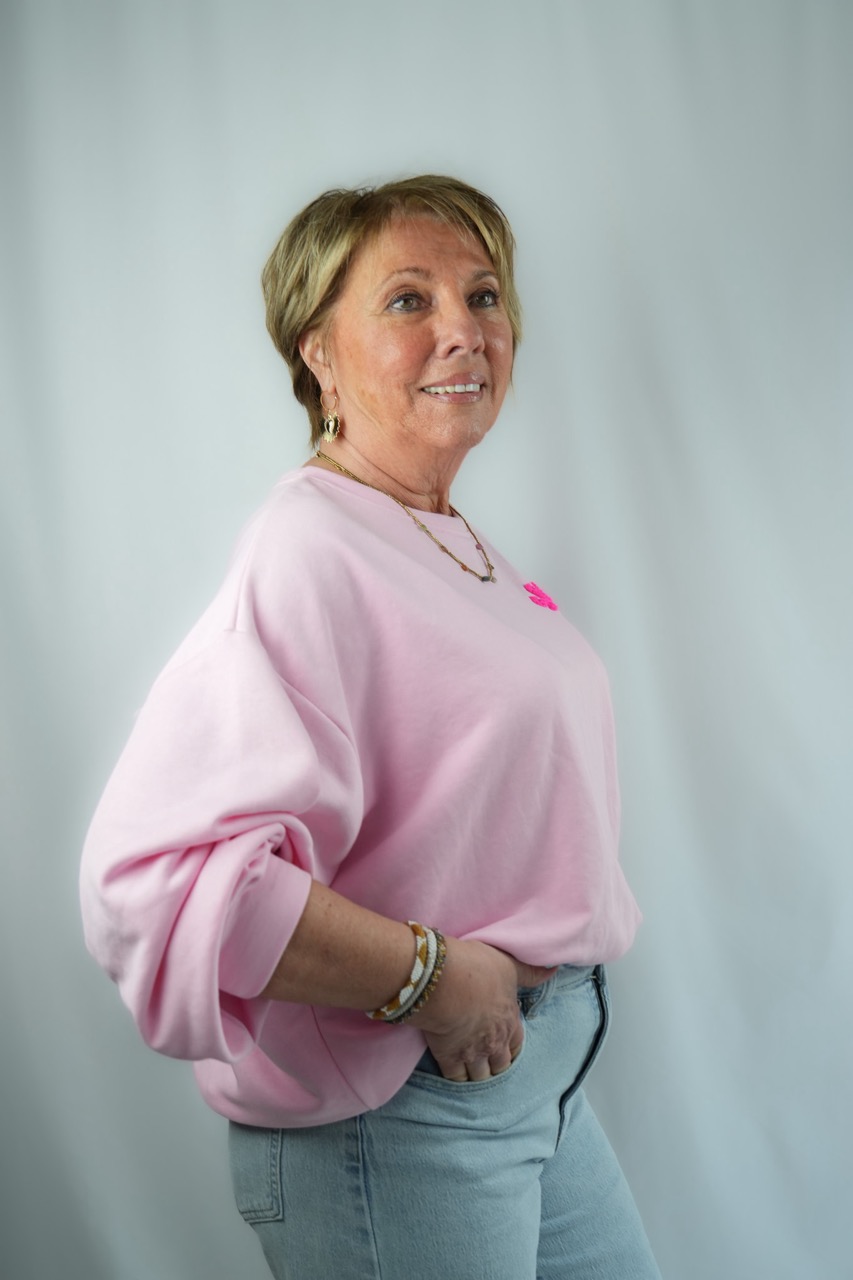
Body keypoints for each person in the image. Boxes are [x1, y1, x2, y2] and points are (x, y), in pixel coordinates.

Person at [80, 175, 661, 1279]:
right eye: (408, 300)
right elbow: (161, 881)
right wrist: (430, 978)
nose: (465, 329)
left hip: (537, 1082)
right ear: (319, 353)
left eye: (483, 295)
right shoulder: (310, 547)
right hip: (401, 1118)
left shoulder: (446, 538)